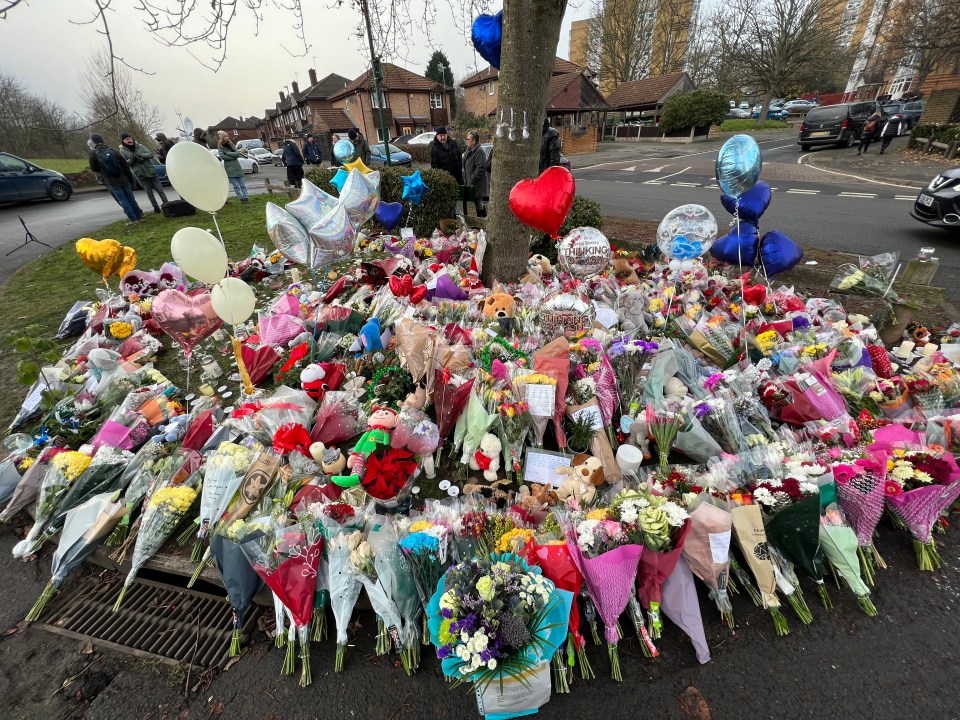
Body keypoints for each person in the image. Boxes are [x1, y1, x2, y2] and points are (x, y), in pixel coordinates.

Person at [89, 133, 144, 225]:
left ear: (93, 143)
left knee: (123, 200)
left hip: (111, 181)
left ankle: (133, 219)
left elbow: (94, 168)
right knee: (131, 199)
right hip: (124, 179)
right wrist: (131, 179)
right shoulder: (113, 151)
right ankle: (139, 216)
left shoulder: (93, 153)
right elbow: (125, 166)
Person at [119, 132, 168, 214]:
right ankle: (156, 208)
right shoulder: (122, 151)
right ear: (123, 141)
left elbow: (150, 154)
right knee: (149, 193)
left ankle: (167, 205)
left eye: (130, 138)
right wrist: (132, 160)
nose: (129, 140)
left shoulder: (140, 146)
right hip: (140, 175)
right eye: (127, 139)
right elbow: (124, 163)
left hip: (151, 172)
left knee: (160, 191)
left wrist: (142, 156)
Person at [217, 130, 249, 203]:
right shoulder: (220, 147)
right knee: (236, 186)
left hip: (237, 167)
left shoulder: (231, 144)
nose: (227, 137)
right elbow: (222, 156)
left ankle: (245, 197)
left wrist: (228, 153)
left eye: (227, 136)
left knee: (242, 185)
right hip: (230, 168)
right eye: (225, 136)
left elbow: (237, 153)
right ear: (222, 138)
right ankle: (241, 198)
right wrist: (233, 156)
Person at [462, 130, 488, 217]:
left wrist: (472, 178)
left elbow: (481, 168)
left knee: (478, 201)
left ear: (474, 140)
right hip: (471, 183)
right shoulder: (469, 150)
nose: (467, 141)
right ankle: (482, 219)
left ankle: (482, 219)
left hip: (477, 183)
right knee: (477, 202)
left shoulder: (479, 151)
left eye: (468, 139)